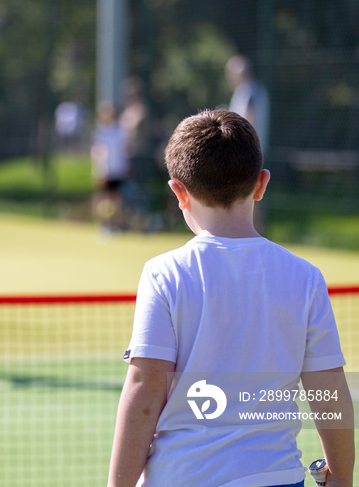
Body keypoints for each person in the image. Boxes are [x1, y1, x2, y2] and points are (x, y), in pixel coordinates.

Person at [108, 110, 354, 487]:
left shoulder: (164, 273)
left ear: (178, 192)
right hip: (277, 478)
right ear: (261, 183)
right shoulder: (306, 278)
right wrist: (342, 477)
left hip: (182, 477)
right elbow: (328, 390)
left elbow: (145, 389)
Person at [226, 55, 270, 234]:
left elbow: (247, 119)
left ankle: (256, 233)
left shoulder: (249, 92)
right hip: (250, 148)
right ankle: (252, 233)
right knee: (251, 192)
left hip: (246, 149)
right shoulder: (252, 90)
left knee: (250, 192)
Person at [91, 101, 130, 235]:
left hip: (117, 170)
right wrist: (99, 170)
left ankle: (116, 225)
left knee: (117, 200)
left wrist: (125, 166)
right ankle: (104, 225)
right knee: (103, 200)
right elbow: (98, 152)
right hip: (104, 171)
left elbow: (123, 151)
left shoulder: (119, 132)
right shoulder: (101, 132)